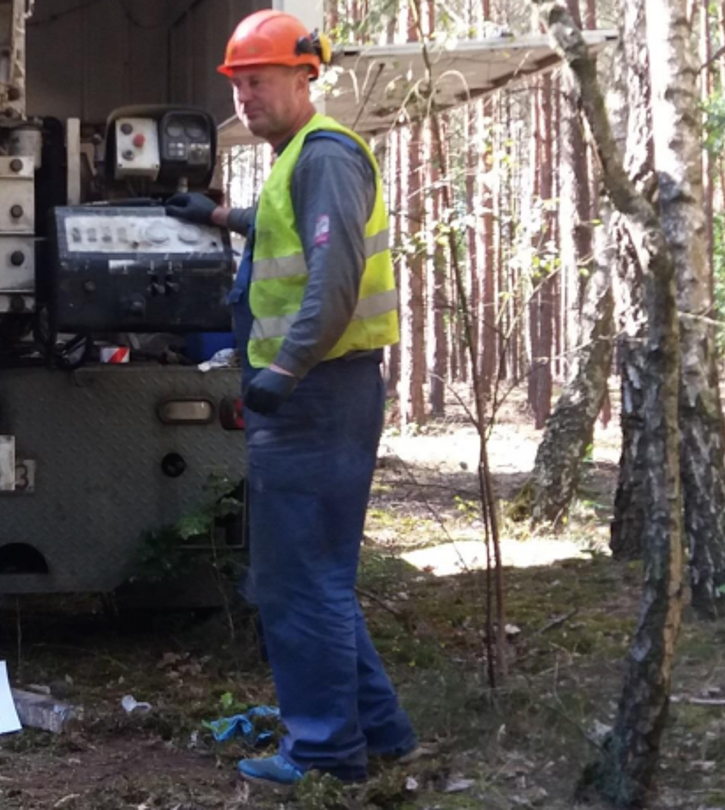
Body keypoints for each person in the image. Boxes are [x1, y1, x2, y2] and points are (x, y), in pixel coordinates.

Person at [163, 8, 416, 787]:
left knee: (295, 580)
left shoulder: (325, 156)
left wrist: (282, 372)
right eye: (238, 85)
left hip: (315, 395)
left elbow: (332, 282)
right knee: (317, 575)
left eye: (261, 80)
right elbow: (289, 239)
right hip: (319, 393)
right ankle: (378, 734)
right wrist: (218, 216)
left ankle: (322, 752)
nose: (247, 97)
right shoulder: (298, 159)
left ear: (306, 76)